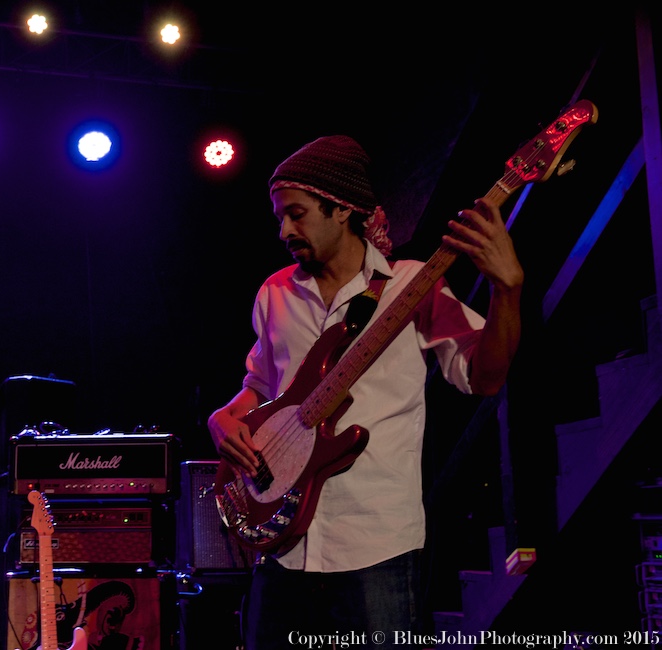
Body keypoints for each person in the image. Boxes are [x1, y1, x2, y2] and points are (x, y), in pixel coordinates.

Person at [207, 136, 523, 649]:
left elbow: (483, 377)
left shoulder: (412, 285)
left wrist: (507, 289)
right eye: (280, 217)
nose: (285, 230)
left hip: (376, 543)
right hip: (285, 543)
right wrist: (223, 419)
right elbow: (258, 388)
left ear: (342, 210)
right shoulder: (275, 293)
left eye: (298, 214)